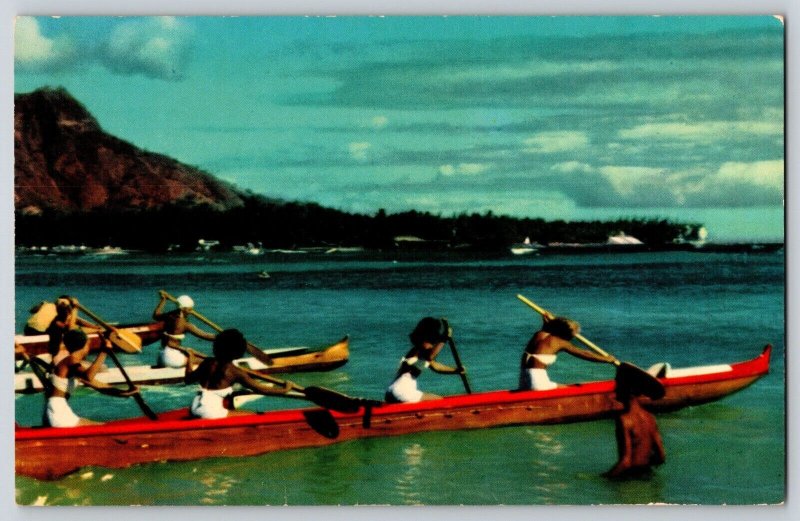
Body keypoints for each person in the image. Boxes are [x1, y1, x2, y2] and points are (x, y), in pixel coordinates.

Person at [184, 328, 293, 419]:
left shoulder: (207, 362)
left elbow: (188, 379)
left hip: (194, 408)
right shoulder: (235, 372)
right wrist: (285, 390)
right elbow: (261, 389)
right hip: (209, 413)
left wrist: (190, 359)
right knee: (256, 415)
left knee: (231, 408)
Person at [519, 315, 614, 390]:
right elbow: (585, 354)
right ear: (566, 334)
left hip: (523, 383)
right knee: (572, 390)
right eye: (574, 334)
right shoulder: (561, 343)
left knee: (563, 387)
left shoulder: (539, 334)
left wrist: (548, 322)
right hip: (537, 384)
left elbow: (546, 329)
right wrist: (607, 359)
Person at [385, 317, 465, 403]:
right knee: (440, 402)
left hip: (392, 392)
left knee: (438, 400)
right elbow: (430, 356)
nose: (433, 344)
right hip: (402, 392)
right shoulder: (417, 351)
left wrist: (456, 370)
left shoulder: (421, 353)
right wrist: (444, 339)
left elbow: (435, 366)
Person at [604, 374, 666, 478]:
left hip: (630, 478)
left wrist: (605, 478)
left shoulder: (624, 420)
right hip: (647, 474)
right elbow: (661, 457)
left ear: (626, 391)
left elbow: (626, 462)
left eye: (618, 387)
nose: (615, 390)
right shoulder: (650, 417)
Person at [44, 329, 108, 427]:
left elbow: (99, 386)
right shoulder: (70, 360)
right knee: (102, 427)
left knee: (102, 425)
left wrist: (126, 392)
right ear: (83, 346)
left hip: (60, 409)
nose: (89, 348)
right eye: (88, 344)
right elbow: (89, 376)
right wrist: (104, 352)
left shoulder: (73, 365)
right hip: (58, 411)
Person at [152, 291, 216, 368]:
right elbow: (206, 336)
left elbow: (156, 315)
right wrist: (226, 337)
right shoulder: (184, 324)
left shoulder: (169, 316)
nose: (191, 312)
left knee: (197, 356)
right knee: (207, 361)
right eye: (189, 310)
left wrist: (163, 300)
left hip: (161, 356)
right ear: (183, 309)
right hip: (172, 359)